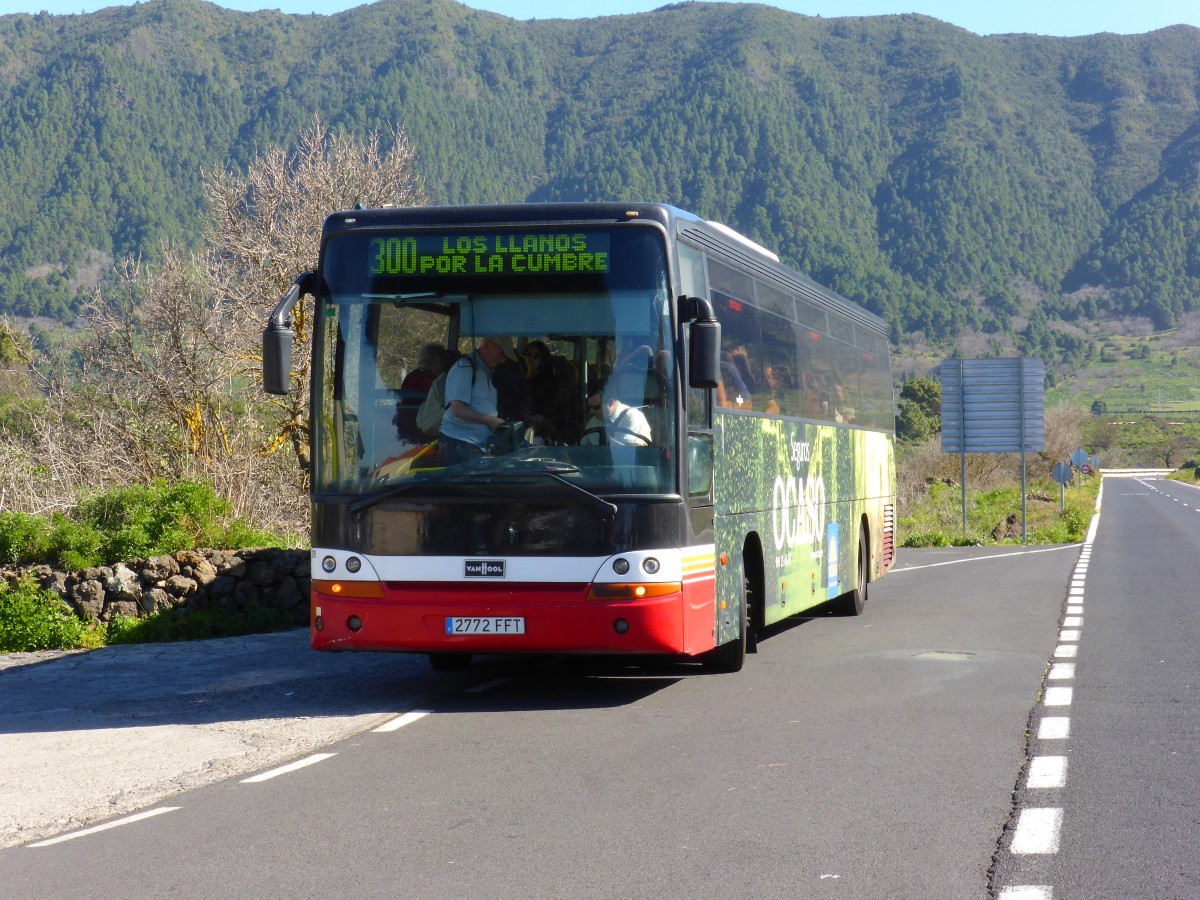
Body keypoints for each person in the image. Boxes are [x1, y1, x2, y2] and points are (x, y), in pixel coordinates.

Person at [437, 336, 519, 465]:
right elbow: (457, 410)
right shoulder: (464, 367)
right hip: (458, 443)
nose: (503, 360)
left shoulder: (486, 371)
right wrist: (491, 421)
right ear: (487, 344)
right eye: (501, 353)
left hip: (475, 444)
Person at [394, 343, 447, 443]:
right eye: (423, 361)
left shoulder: (448, 378)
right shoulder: (415, 377)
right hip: (415, 431)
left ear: (442, 361)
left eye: (431, 360)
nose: (426, 364)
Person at [579, 379, 652, 446]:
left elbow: (628, 452)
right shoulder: (594, 422)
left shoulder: (634, 418)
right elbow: (582, 446)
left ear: (611, 403)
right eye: (590, 407)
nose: (591, 411)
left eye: (596, 407)